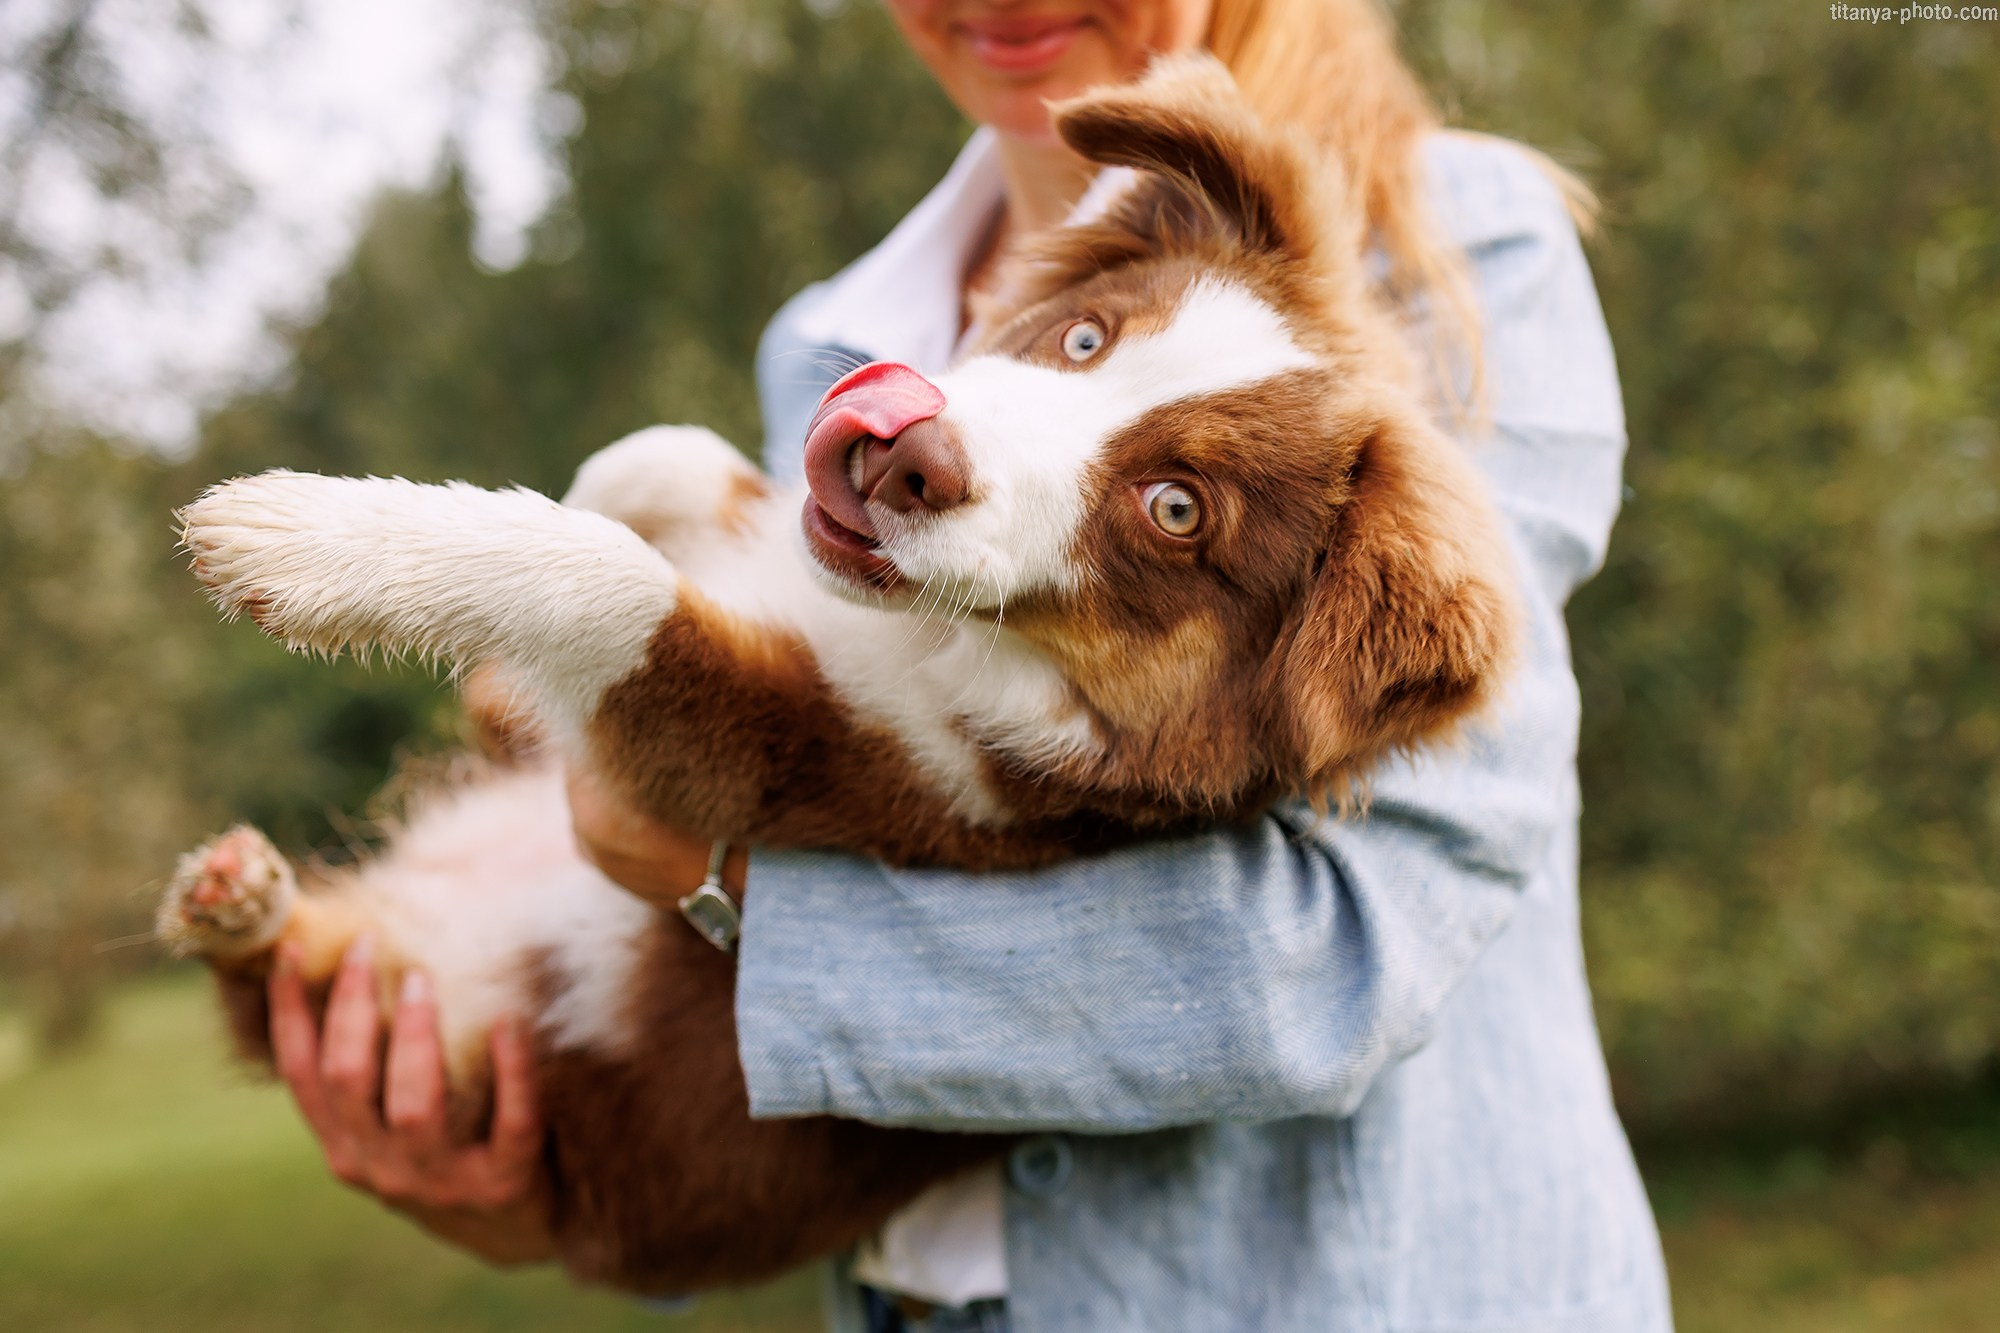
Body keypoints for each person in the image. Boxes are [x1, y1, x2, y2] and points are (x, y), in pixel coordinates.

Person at [268, 1, 1675, 1329]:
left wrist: (734, 882)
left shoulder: (1449, 251)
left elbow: (1329, 960)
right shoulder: (826, 335)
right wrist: (547, 1197)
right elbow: (799, 1028)